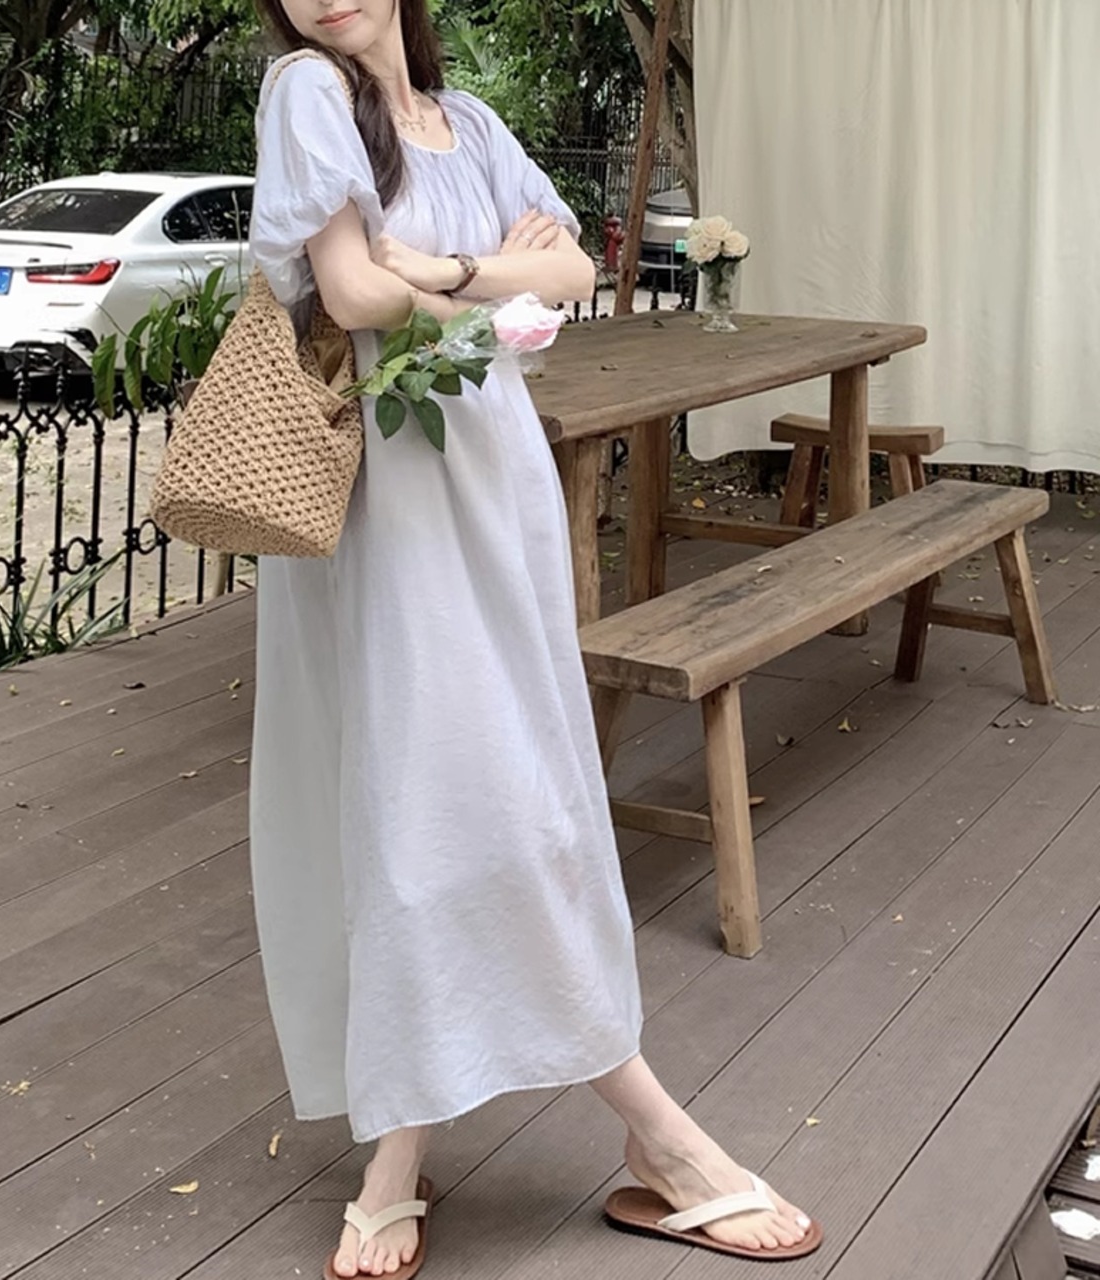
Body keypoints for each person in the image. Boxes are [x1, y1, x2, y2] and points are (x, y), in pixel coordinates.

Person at [246, 2, 819, 1275]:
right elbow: (350, 292)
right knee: (447, 795)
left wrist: (447, 271)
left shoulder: (471, 123)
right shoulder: (307, 94)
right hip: (395, 508)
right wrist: (487, 274)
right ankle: (659, 1134)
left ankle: (398, 1152)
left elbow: (566, 282)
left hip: (495, 484)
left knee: (496, 787)